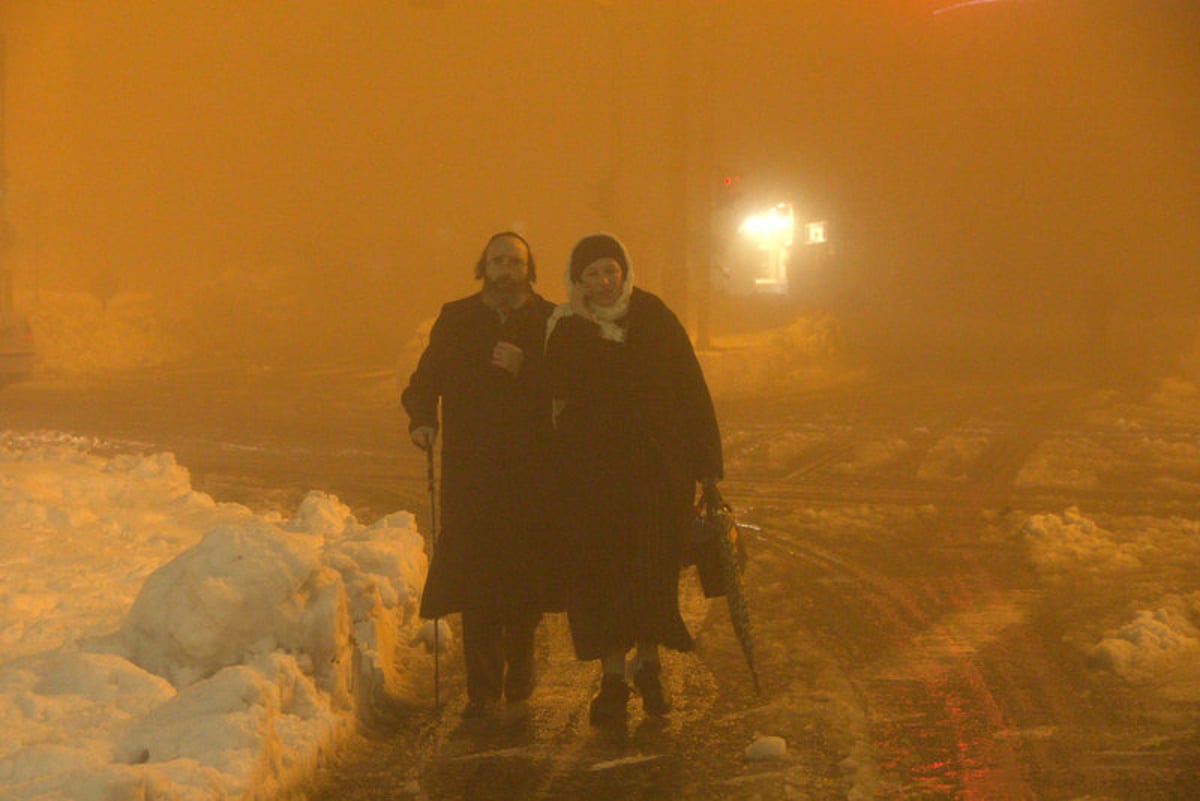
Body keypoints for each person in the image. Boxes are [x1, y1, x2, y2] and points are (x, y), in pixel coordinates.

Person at [544, 233, 724, 726]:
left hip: (658, 475)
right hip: (592, 478)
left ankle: (649, 666)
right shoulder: (565, 328)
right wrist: (581, 327)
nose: (604, 283)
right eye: (592, 275)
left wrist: (707, 463)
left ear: (624, 271)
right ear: (577, 282)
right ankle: (612, 680)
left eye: (611, 271)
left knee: (650, 574)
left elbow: (690, 389)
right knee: (602, 574)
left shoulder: (655, 317)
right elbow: (555, 390)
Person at [401, 231, 559, 717]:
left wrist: (527, 367)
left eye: (516, 261)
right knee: (477, 578)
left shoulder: (553, 321)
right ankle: (483, 687)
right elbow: (424, 383)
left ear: (529, 268)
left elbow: (575, 389)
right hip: (472, 472)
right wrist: (423, 419)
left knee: (525, 575)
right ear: (483, 266)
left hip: (534, 472)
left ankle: (521, 660)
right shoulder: (457, 319)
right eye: (498, 261)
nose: (506, 269)